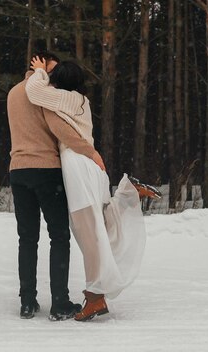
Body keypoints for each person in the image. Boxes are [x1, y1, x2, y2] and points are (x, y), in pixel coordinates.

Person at [25, 56, 161, 321]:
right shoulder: (82, 101)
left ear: (60, 83)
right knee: (102, 223)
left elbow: (33, 91)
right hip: (93, 165)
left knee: (89, 234)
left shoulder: (63, 97)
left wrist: (40, 72)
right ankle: (127, 193)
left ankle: (95, 298)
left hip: (77, 165)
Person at [7, 52, 106, 321]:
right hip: (46, 170)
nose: (53, 75)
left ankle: (27, 301)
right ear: (40, 69)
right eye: (51, 70)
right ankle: (59, 302)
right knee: (59, 237)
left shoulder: (13, 93)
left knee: (27, 239)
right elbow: (60, 130)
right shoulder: (43, 93)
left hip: (18, 170)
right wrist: (91, 152)